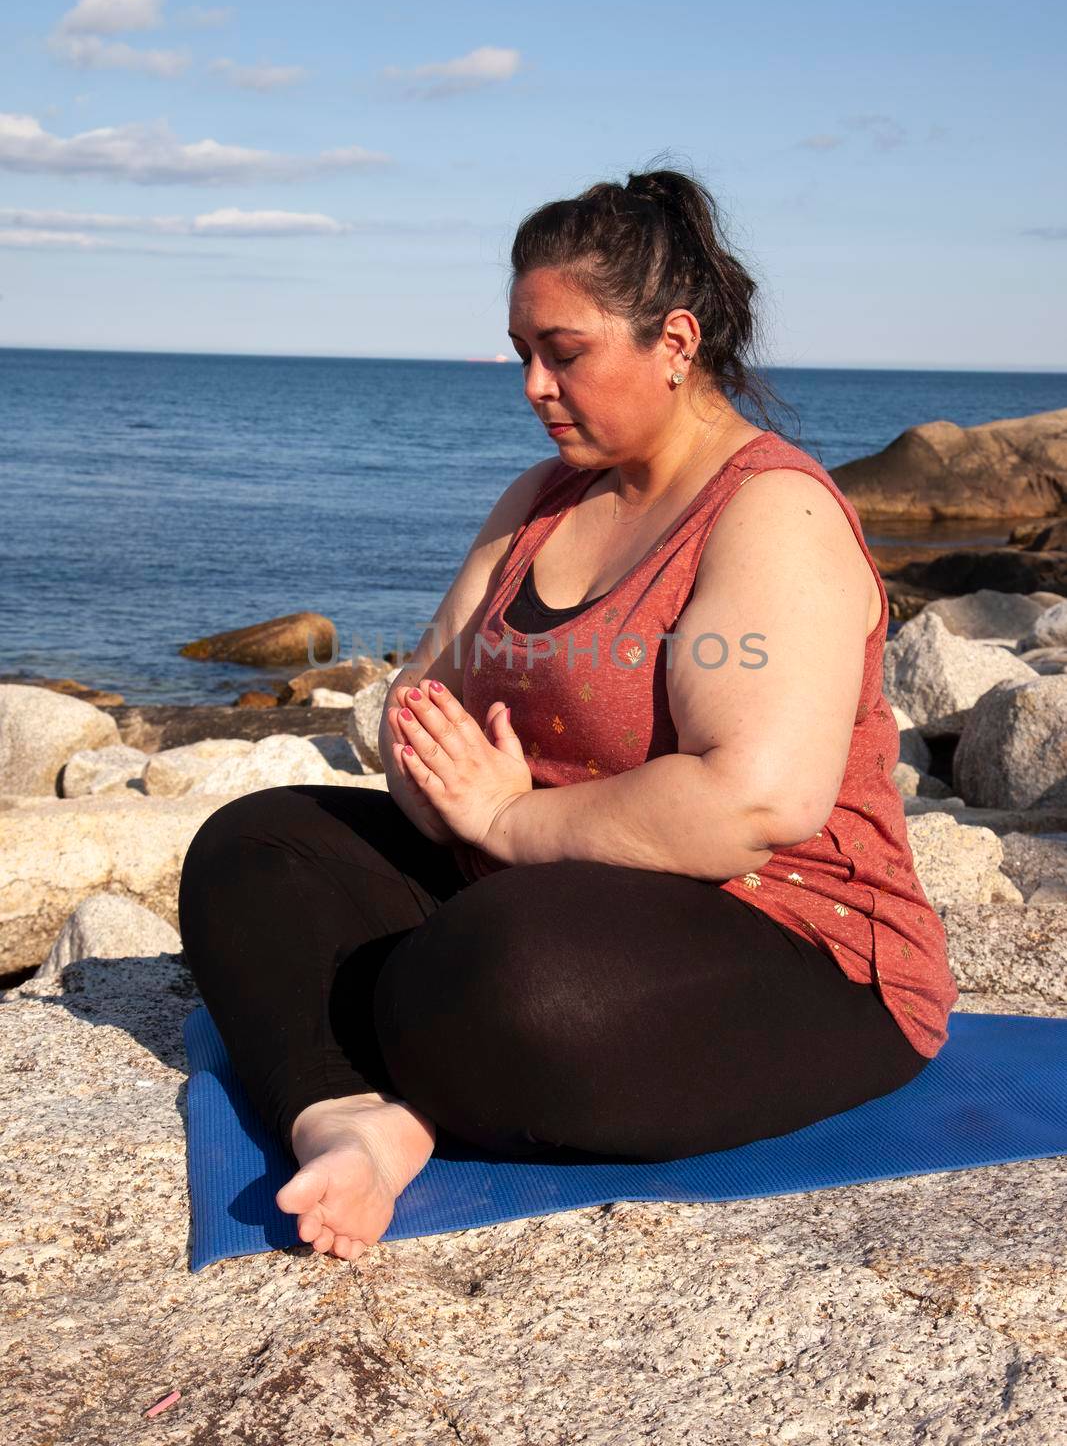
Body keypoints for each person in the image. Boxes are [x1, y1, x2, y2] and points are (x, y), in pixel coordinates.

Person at [178, 164, 958, 1265]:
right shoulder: (537, 502)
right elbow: (419, 698)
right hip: (524, 886)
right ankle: (352, 1113)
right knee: (251, 847)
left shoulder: (767, 510)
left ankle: (391, 1033)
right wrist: (443, 790)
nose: (535, 386)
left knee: (512, 976)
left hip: (785, 938)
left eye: (565, 351)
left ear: (675, 343)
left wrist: (506, 822)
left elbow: (753, 802)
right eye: (522, 355)